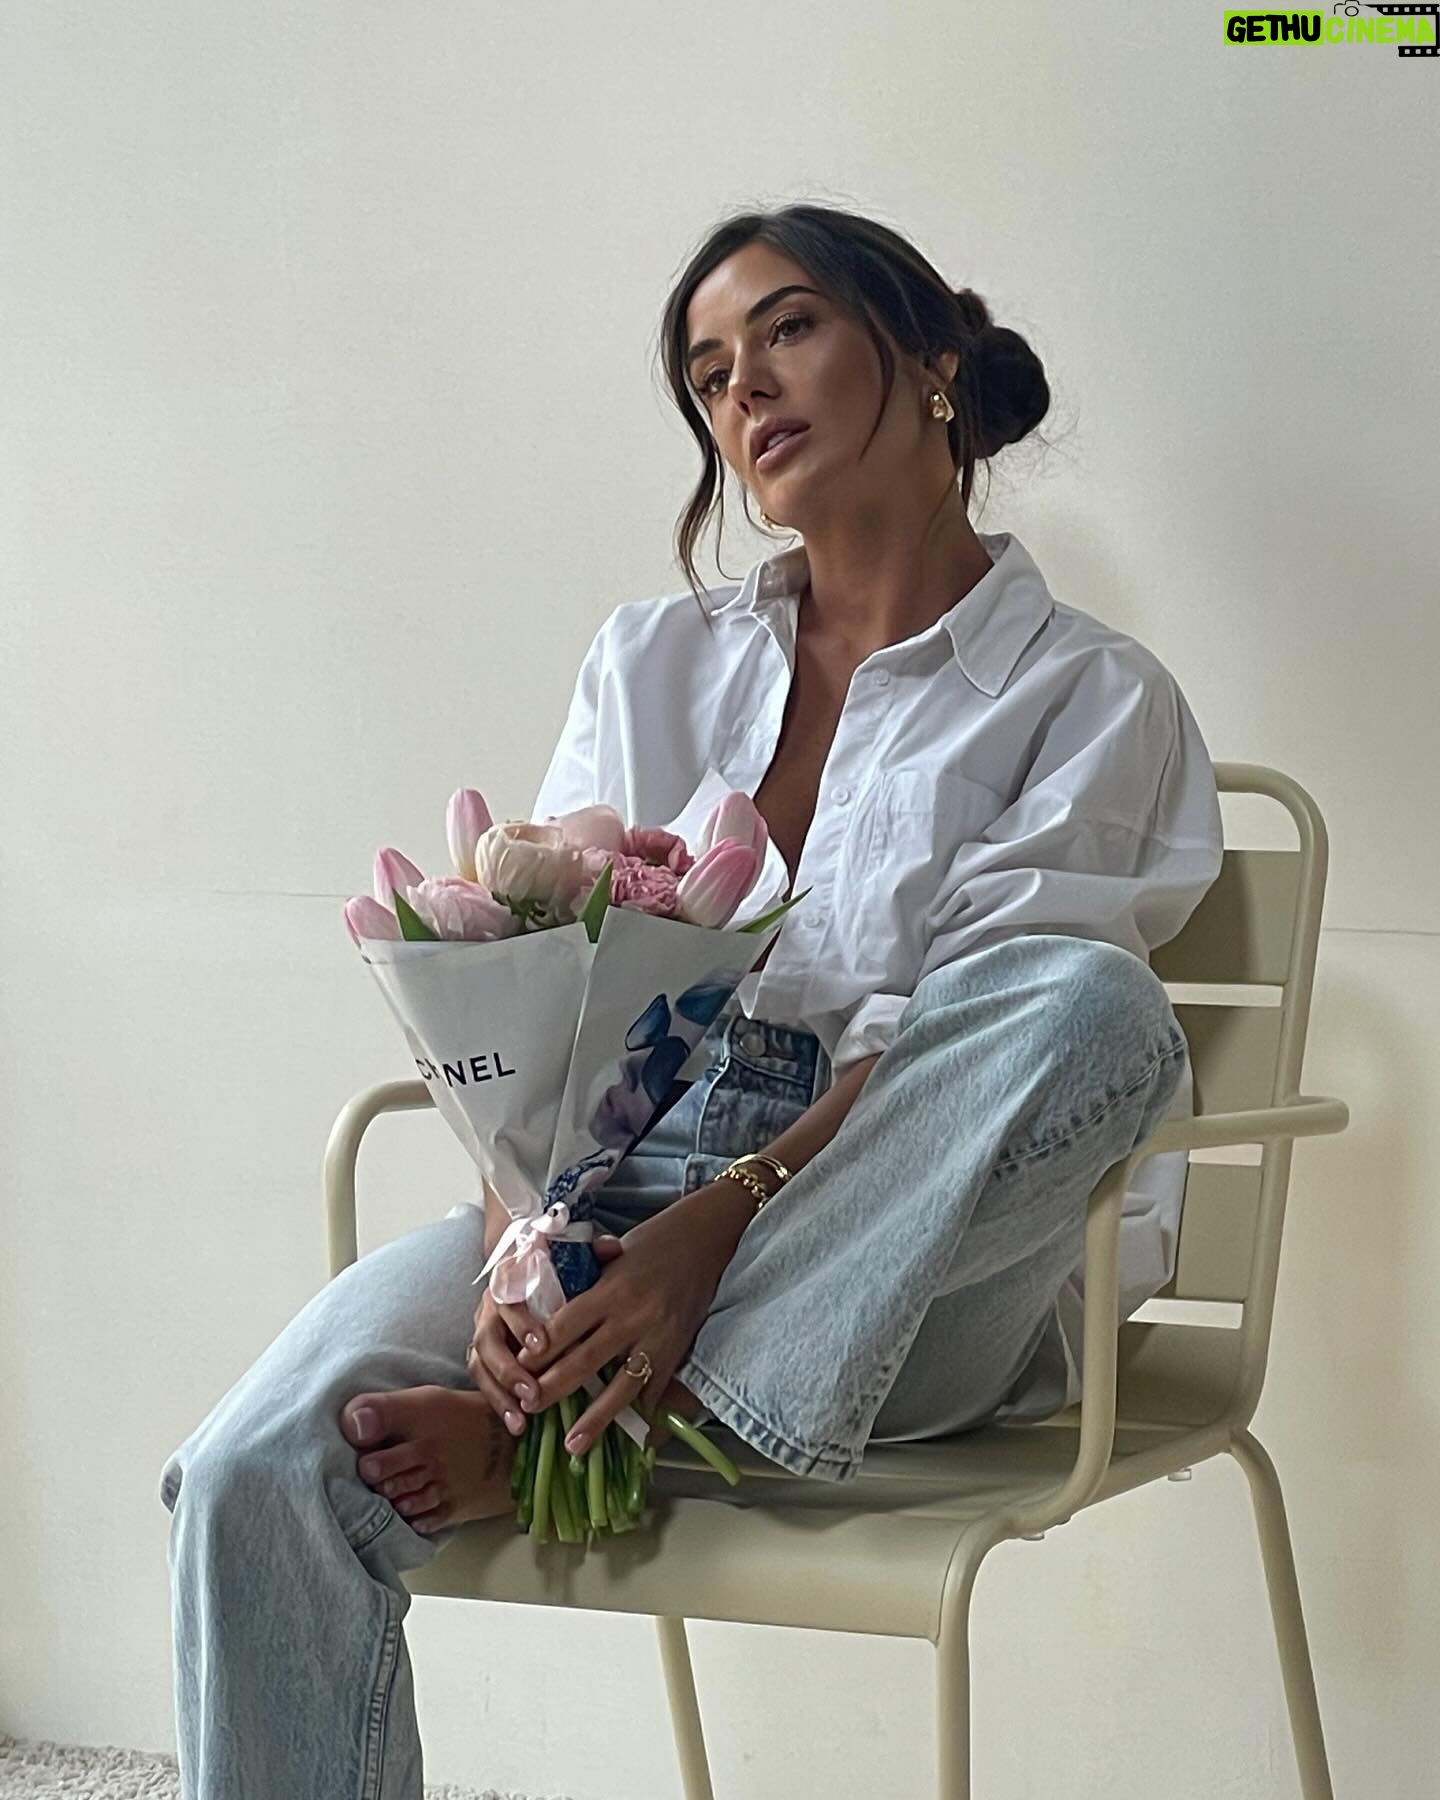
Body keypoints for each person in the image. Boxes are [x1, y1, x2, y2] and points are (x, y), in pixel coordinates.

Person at [159, 200, 1224, 1798]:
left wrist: (712, 1231)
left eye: (787, 329)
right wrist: (522, 1248)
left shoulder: (1089, 695)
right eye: (709, 374)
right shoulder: (650, 661)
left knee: (1089, 1006)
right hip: (603, 1209)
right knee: (254, 1472)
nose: (745, 391)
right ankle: (597, 1400)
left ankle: (586, 1434)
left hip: (908, 1273)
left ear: (930, 358)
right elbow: (539, 1006)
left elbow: (986, 1053)